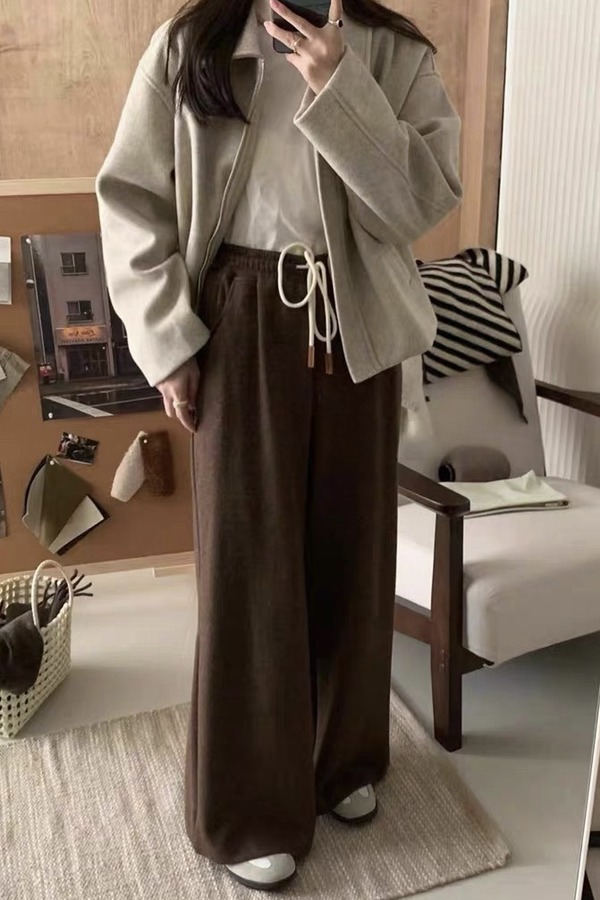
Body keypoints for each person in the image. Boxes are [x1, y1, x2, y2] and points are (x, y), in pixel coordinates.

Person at [96, 0, 462, 890]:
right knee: (248, 565)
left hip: (355, 316)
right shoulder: (192, 46)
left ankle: (343, 761)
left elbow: (420, 203)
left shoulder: (393, 51)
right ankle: (252, 806)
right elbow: (134, 200)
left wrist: (340, 85)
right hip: (240, 314)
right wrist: (170, 345)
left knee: (353, 551)